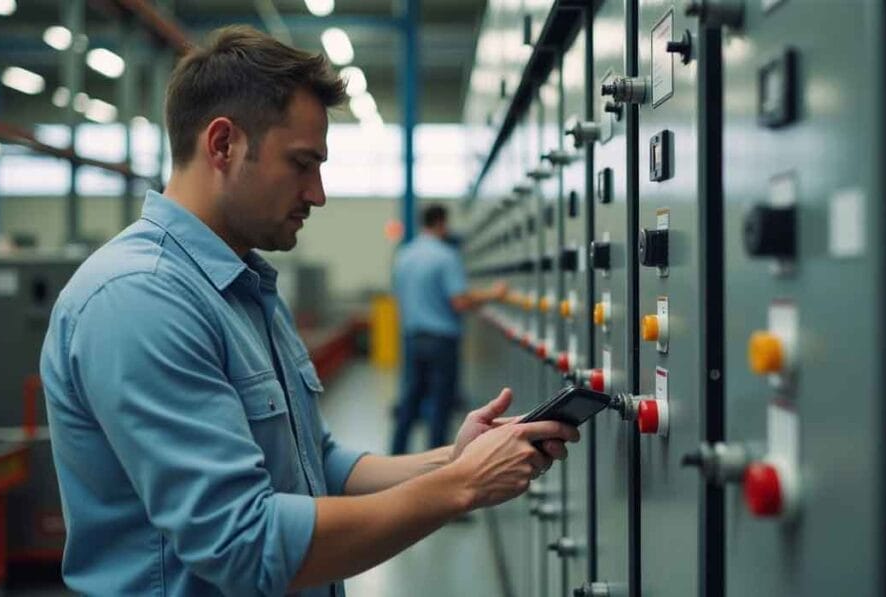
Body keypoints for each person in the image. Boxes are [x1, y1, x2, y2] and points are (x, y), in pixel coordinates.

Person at [40, 26, 579, 597]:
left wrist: (453, 459)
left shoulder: (243, 285)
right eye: (302, 164)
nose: (318, 193)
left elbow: (316, 461)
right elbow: (243, 544)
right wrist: (462, 487)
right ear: (222, 145)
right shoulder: (140, 299)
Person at [390, 205, 507, 454]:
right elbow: (459, 301)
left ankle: (395, 455)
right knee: (441, 405)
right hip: (441, 341)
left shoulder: (404, 255)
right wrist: (493, 294)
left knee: (410, 401)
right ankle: (438, 461)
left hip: (412, 338)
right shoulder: (445, 256)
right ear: (442, 223)